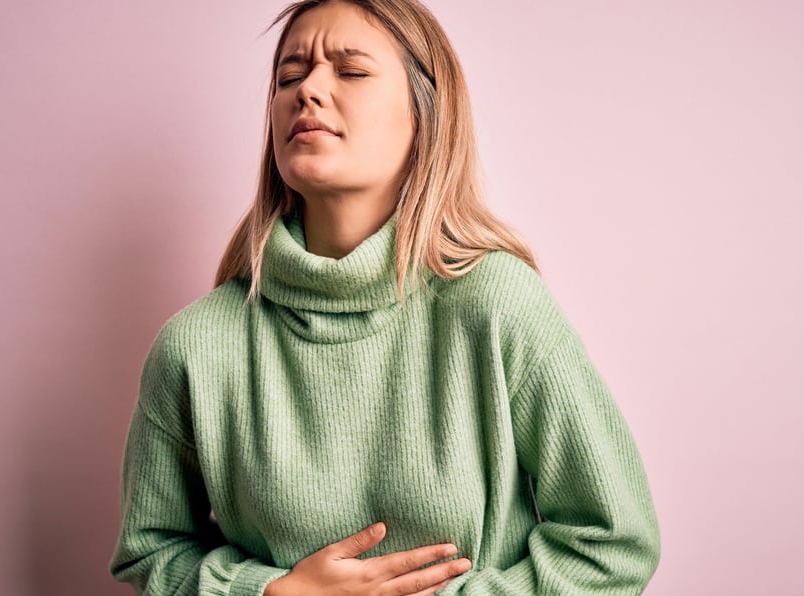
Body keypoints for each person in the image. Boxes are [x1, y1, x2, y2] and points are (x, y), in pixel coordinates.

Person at [109, 0, 661, 594]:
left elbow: (615, 542)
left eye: (350, 70)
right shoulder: (196, 345)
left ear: (423, 114)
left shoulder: (498, 306)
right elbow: (149, 553)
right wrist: (272, 593)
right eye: (290, 76)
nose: (308, 90)